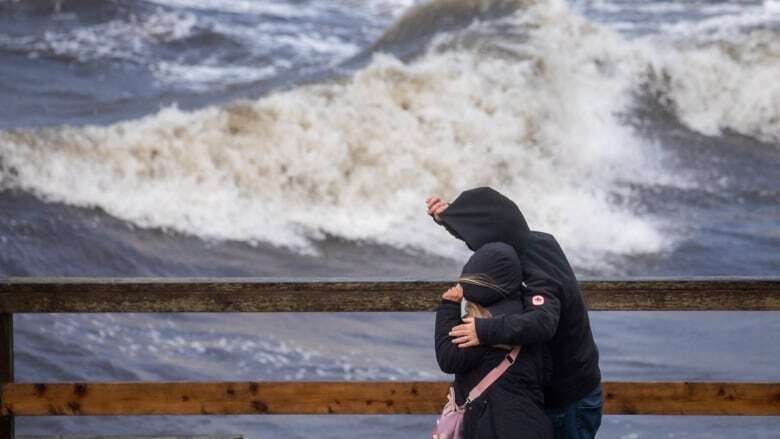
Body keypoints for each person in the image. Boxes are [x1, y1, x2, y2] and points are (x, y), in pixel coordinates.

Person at [427, 187, 603, 439]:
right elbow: (490, 236)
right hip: (548, 388)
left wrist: (482, 330)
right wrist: (451, 219)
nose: (479, 248)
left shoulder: (537, 265)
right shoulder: (529, 241)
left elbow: (543, 322)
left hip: (568, 396)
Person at [435, 242, 552, 439]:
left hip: (493, 425)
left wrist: (448, 308)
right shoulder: (530, 318)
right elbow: (547, 371)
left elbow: (448, 358)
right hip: (531, 421)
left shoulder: (480, 328)